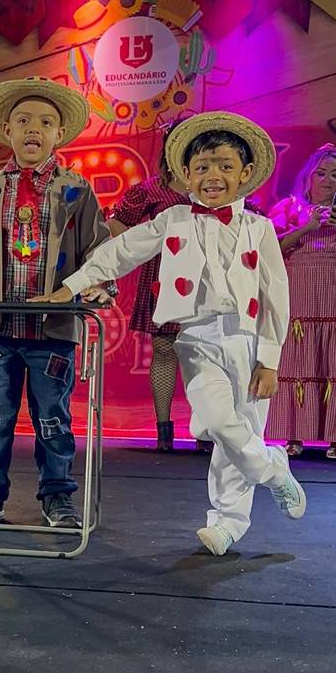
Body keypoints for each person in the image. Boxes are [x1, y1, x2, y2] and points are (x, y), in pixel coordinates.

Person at [33, 111, 307, 555]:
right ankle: (273, 467)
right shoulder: (174, 218)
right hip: (196, 339)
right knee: (219, 424)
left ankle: (227, 523)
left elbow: (276, 296)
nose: (212, 176)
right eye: (201, 167)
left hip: (248, 339)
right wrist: (74, 285)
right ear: (185, 174)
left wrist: (270, 359)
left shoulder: (258, 228)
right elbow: (122, 250)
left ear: (246, 173)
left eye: (223, 166)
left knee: (240, 429)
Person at [0, 77, 116, 529]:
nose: (34, 129)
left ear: (59, 135)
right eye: (24, 121)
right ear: (8, 131)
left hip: (52, 329)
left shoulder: (76, 190)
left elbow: (98, 245)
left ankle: (58, 497)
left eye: (46, 122)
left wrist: (95, 283)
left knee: (52, 416)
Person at [109, 123, 212, 453]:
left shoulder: (213, 186)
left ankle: (205, 429)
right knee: (165, 350)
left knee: (202, 355)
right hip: (163, 276)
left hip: (204, 278)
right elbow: (115, 227)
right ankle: (164, 430)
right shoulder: (149, 191)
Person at [265, 145, 336, 459]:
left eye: (335, 175)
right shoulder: (290, 207)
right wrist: (308, 227)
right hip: (299, 289)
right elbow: (272, 247)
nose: (328, 180)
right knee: (299, 357)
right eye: (322, 173)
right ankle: (293, 436)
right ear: (309, 176)